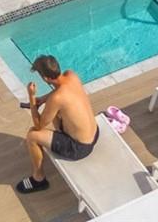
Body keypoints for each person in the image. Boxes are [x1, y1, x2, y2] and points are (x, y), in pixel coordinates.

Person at [17, 54, 99, 194]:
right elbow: (60, 91)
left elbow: (38, 126)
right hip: (94, 134)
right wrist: (43, 99)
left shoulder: (57, 98)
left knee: (32, 135)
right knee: (56, 112)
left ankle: (38, 179)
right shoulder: (71, 75)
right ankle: (61, 137)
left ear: (45, 78)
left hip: (79, 148)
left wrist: (31, 98)